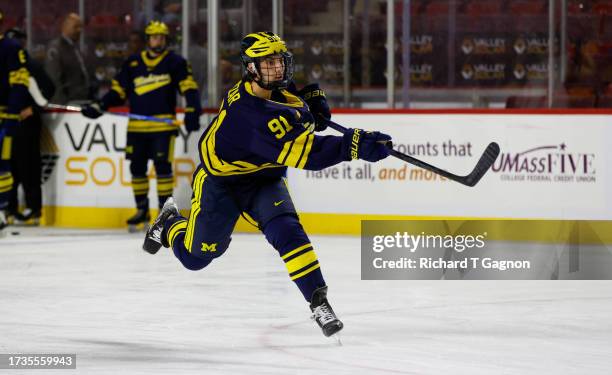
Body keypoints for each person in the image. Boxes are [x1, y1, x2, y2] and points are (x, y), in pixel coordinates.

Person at [141, 31, 392, 337]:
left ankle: (318, 303)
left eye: (280, 61)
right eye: (270, 62)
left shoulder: (264, 88)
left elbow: (291, 100)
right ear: (251, 68)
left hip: (264, 177)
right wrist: (353, 146)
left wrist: (312, 101)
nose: (280, 68)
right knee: (197, 258)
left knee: (288, 231)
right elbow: (308, 154)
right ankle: (170, 225)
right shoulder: (248, 114)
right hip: (221, 183)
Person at [81, 21, 201, 231]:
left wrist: (192, 109)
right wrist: (101, 105)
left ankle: (165, 213)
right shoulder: (132, 63)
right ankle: (141, 210)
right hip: (136, 127)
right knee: (136, 168)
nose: (158, 41)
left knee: (163, 169)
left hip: (162, 127)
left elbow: (188, 88)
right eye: (154, 37)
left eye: (162, 37)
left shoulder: (175, 62)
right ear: (148, 39)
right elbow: (118, 92)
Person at [4, 28, 55, 225]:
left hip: (27, 124)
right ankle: (10, 208)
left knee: (29, 167)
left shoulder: (30, 64)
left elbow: (49, 88)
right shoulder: (5, 63)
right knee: (9, 167)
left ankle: (33, 209)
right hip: (9, 121)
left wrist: (33, 109)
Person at [0, 25, 31, 232]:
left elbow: (20, 83)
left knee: (2, 165)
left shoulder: (10, 47)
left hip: (3, 116)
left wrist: (12, 114)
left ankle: (2, 211)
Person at [45, 13, 91, 104]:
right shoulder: (55, 48)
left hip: (80, 102)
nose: (79, 30)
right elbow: (54, 78)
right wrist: (60, 106)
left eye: (81, 27)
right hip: (66, 105)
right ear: (65, 27)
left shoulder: (74, 48)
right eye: (76, 27)